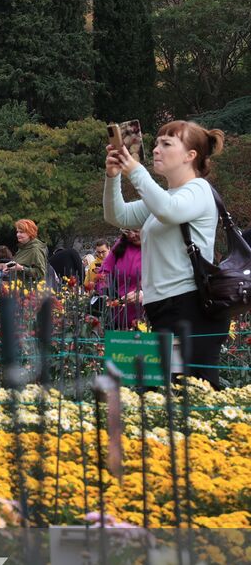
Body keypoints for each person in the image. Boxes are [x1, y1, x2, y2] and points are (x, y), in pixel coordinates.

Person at [105, 120, 231, 387]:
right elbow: (118, 215)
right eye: (155, 144)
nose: (155, 150)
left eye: (166, 144)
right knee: (165, 395)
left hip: (191, 307)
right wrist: (113, 175)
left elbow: (168, 210)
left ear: (190, 156)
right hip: (164, 307)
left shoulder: (198, 189)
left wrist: (135, 171)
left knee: (194, 392)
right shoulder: (164, 195)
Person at [98, 229, 143, 330]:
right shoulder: (121, 244)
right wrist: (106, 291)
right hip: (117, 314)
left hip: (145, 315)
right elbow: (104, 270)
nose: (132, 235)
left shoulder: (157, 246)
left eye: (136, 231)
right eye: (127, 231)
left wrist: (145, 294)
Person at [8, 219, 49, 286]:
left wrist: (21, 268)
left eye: (21, 232)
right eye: (17, 232)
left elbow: (40, 274)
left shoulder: (35, 249)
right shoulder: (22, 248)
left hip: (30, 292)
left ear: (30, 233)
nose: (18, 234)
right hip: (18, 289)